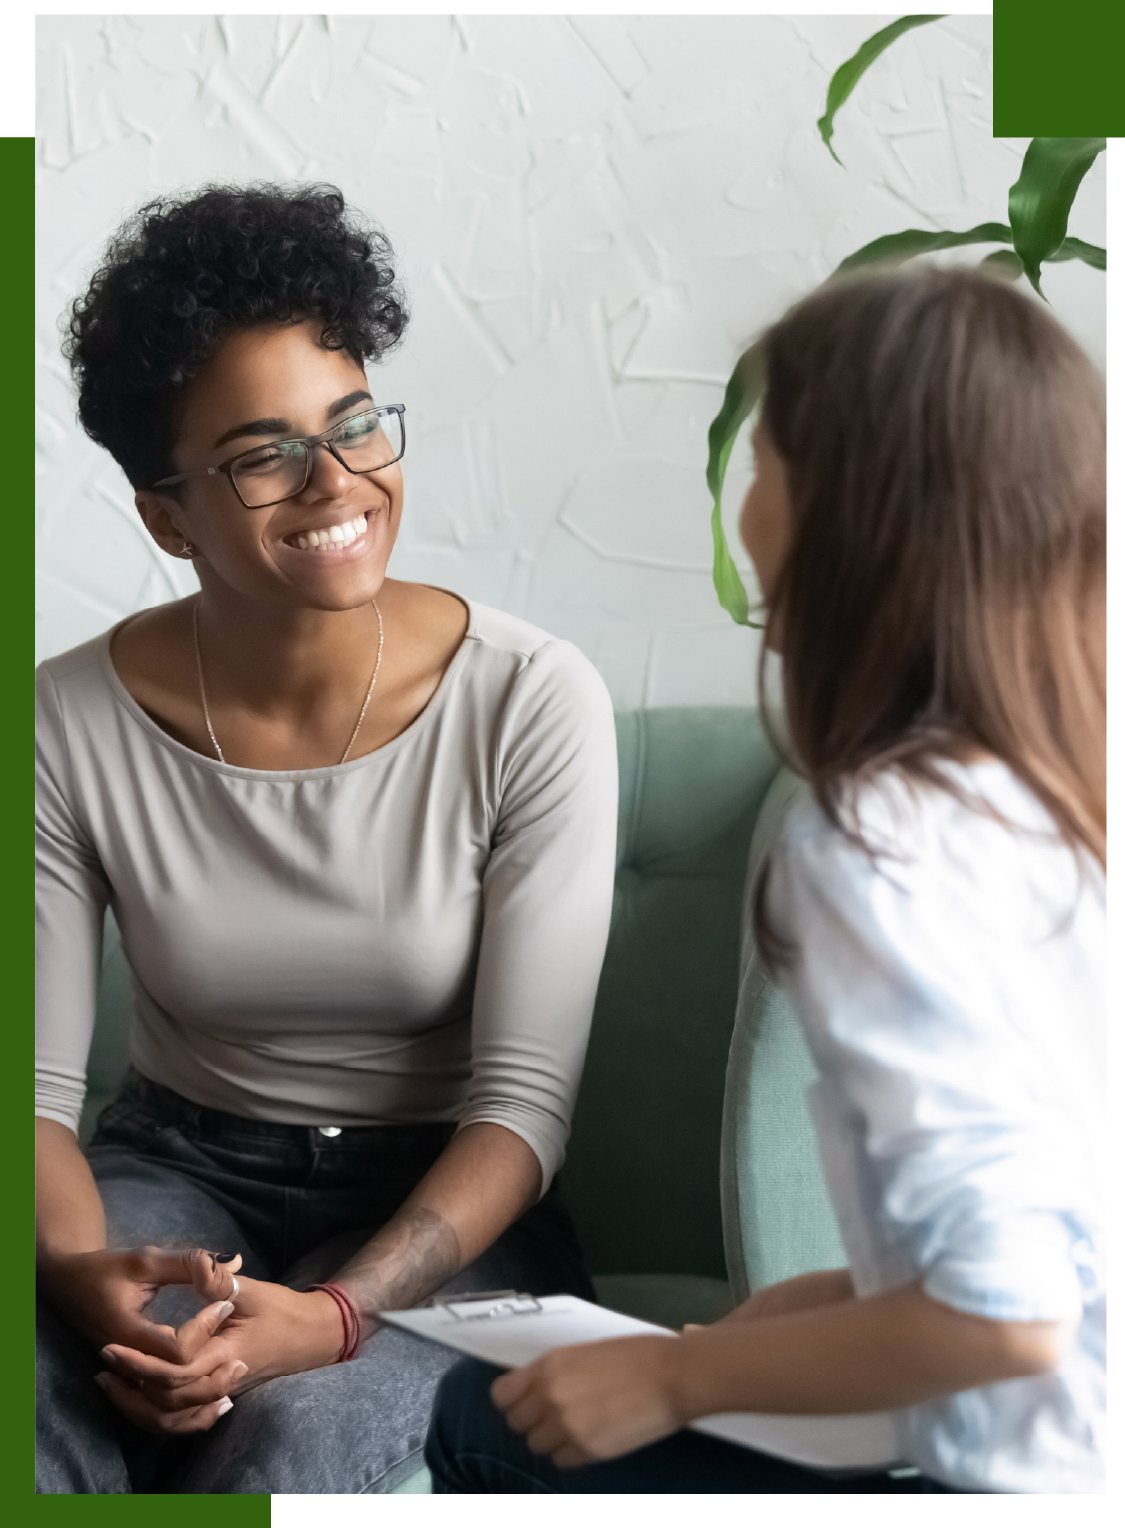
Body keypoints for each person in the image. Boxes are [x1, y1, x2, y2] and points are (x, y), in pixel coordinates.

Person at [425, 265, 1107, 1494]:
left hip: (1008, 1474)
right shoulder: (1055, 795)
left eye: (768, 457)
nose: (745, 504)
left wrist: (675, 1378)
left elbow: (1008, 1319)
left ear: (854, 507)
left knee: (483, 1418)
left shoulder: (880, 847)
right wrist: (842, 1296)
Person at [35, 183, 618, 1494]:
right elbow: (34, 1099)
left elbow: (523, 1111)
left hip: (444, 1207)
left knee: (292, 1446)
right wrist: (84, 1282)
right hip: (172, 1167)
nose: (335, 481)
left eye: (352, 423)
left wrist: (342, 1315)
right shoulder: (63, 718)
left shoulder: (528, 696)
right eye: (261, 454)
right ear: (167, 516)